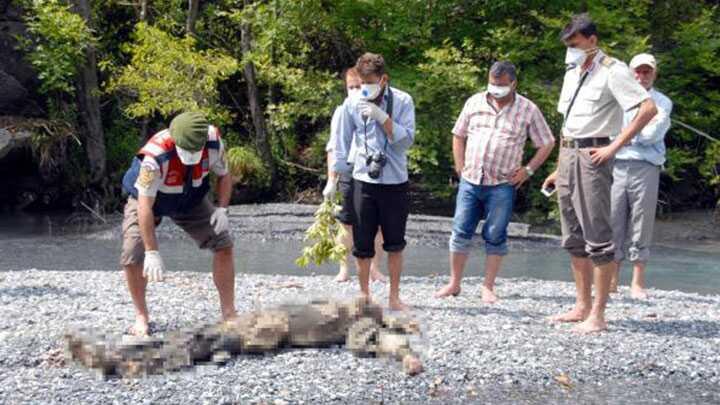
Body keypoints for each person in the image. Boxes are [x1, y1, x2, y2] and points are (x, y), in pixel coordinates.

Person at [542, 14, 657, 333]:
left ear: (592, 41)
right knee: (573, 235)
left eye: (575, 43)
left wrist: (614, 147)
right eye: (568, 44)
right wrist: (557, 166)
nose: (571, 49)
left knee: (598, 236)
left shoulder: (614, 70)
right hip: (567, 153)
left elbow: (648, 109)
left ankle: (598, 315)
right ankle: (581, 306)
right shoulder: (572, 71)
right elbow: (571, 123)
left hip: (594, 153)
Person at [434, 61, 556, 303]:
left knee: (495, 234)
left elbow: (547, 142)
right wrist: (459, 166)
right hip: (470, 179)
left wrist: (528, 170)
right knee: (460, 231)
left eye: (501, 85)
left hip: (502, 183)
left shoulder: (528, 109)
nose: (495, 88)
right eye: (492, 83)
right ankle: (454, 283)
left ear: (513, 83)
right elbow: (458, 134)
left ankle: (488, 286)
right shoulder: (475, 101)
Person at [120, 111, 237, 336]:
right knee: (132, 254)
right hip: (149, 200)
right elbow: (144, 206)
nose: (191, 154)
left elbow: (224, 174)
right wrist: (152, 251)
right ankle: (141, 316)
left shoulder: (214, 141)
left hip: (190, 198)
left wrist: (223, 208)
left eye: (196, 150)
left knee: (224, 244)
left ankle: (229, 313)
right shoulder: (154, 157)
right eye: (187, 150)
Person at [329, 52, 416, 310]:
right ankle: (364, 295)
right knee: (362, 243)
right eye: (362, 83)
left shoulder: (402, 101)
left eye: (371, 83)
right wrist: (335, 177)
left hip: (395, 181)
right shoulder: (351, 103)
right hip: (362, 181)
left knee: (395, 243)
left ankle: (394, 297)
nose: (365, 89)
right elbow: (341, 142)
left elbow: (405, 142)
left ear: (384, 79)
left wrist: (382, 117)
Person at [609, 53, 672, 299]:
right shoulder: (617, 99)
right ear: (631, 73)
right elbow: (608, 131)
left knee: (641, 223)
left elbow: (651, 136)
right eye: (638, 71)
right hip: (617, 165)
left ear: (654, 74)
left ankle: (637, 283)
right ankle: (611, 279)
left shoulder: (663, 102)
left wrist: (624, 135)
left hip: (646, 166)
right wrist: (635, 130)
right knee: (613, 220)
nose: (641, 76)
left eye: (647, 72)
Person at [324, 67, 386, 284]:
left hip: (372, 171)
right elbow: (333, 148)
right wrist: (331, 180)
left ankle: (375, 269)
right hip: (348, 171)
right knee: (346, 222)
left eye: (358, 86)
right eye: (350, 87)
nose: (355, 91)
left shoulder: (378, 107)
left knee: (377, 223)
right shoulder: (341, 111)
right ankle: (343, 269)